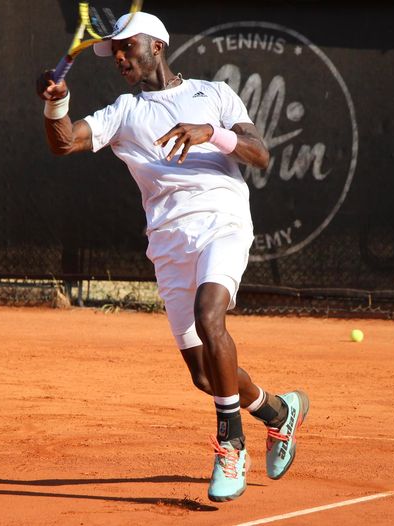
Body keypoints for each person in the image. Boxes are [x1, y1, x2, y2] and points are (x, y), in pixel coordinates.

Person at [37, 12, 309, 502]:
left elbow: (260, 153)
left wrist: (213, 133)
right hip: (168, 243)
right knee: (205, 375)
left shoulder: (214, 94)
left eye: (127, 47)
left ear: (157, 46)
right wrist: (56, 104)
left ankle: (230, 446)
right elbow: (63, 143)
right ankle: (278, 411)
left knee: (210, 316)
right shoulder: (124, 110)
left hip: (223, 222)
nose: (119, 57)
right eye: (114, 52)